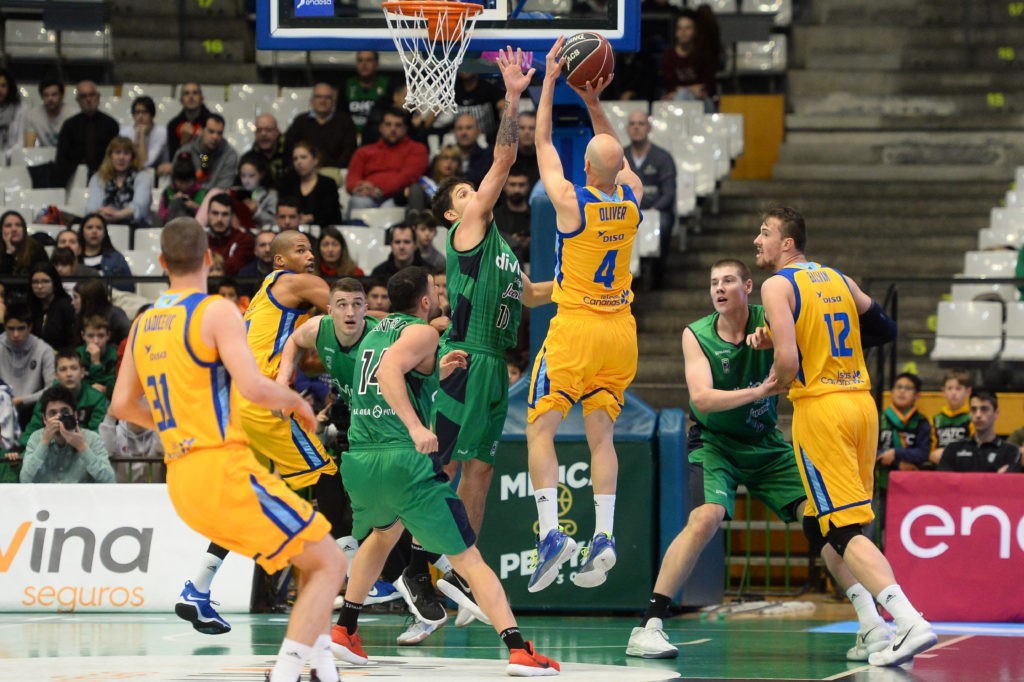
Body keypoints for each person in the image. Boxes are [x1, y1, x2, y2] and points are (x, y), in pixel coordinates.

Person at [109, 217, 344, 682]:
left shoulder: (143, 323)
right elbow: (255, 386)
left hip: (180, 478)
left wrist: (179, 423)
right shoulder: (215, 311)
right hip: (222, 467)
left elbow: (122, 404)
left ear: (160, 263)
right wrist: (296, 400)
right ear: (209, 258)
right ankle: (286, 672)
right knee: (331, 562)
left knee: (306, 558)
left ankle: (323, 666)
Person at [331, 266, 560, 676]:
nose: (440, 297)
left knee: (382, 535)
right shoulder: (423, 333)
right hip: (401, 458)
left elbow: (383, 372)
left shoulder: (373, 334)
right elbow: (388, 374)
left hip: (361, 460)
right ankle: (519, 650)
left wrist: (437, 370)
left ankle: (345, 629)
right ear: (425, 301)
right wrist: (417, 427)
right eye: (434, 292)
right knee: (469, 558)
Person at [755, 204, 936, 666]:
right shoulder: (837, 278)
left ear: (787, 243)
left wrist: (770, 383)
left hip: (821, 411)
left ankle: (908, 620)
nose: (758, 241)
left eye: (765, 233)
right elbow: (885, 328)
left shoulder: (777, 285)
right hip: (861, 405)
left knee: (844, 525)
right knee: (825, 522)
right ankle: (872, 626)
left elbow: (791, 364)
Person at [427, 46, 555, 625]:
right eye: (462, 194)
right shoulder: (468, 233)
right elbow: (502, 161)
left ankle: (456, 571)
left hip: (497, 364)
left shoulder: (499, 248)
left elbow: (530, 295)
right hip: (467, 360)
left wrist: (591, 289)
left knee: (480, 469)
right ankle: (412, 570)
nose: (472, 195)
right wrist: (511, 97)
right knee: (444, 469)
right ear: (454, 216)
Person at [625, 259, 806, 659]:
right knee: (706, 517)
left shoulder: (772, 321)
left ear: (748, 286)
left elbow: (803, 358)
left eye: (727, 281)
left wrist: (779, 346)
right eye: (713, 283)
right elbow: (702, 398)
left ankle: (872, 620)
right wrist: (759, 392)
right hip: (715, 442)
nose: (719, 288)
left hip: (766, 444)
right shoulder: (697, 333)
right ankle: (648, 625)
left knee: (820, 518)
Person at [174, 230, 345, 636]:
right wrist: (401, 327)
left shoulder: (272, 290)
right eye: (301, 249)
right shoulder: (297, 282)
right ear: (279, 261)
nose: (311, 254)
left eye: (311, 248)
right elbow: (345, 311)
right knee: (328, 479)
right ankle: (352, 573)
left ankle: (197, 586)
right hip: (263, 404)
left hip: (240, 404)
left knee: (247, 501)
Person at [524, 37, 643, 593]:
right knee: (602, 437)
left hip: (573, 329)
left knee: (540, 429)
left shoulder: (573, 204)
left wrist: (550, 80)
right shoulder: (634, 199)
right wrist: (595, 101)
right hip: (620, 332)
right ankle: (604, 536)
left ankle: (551, 535)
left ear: (587, 167)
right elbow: (615, 152)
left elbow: (543, 140)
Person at [20, 384, 114, 483]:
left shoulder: (92, 438)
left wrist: (82, 447)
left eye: (65, 412)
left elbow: (109, 480)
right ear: (44, 419)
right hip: (46, 497)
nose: (59, 418)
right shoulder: (36, 438)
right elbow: (24, 479)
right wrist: (44, 442)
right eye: (52, 413)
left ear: (75, 415)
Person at [623, 111, 676, 285]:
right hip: (625, 211)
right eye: (632, 124)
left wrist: (653, 211)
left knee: (665, 222)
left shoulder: (663, 157)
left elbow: (669, 193)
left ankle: (658, 273)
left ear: (649, 128)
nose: (636, 127)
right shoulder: (619, 157)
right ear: (627, 129)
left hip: (656, 209)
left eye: (641, 123)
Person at [20, 347, 108, 449]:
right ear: (56, 375)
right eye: (63, 369)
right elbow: (28, 436)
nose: (69, 374)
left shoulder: (96, 398)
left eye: (74, 368)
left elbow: (98, 434)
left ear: (82, 372)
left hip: (82, 449)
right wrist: (53, 439)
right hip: (52, 451)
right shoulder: (47, 397)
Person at [345, 109, 429, 216]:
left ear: (405, 128)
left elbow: (406, 178)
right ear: (381, 127)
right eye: (388, 124)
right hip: (367, 197)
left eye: (398, 125)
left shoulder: (417, 149)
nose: (393, 129)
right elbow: (352, 179)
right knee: (358, 201)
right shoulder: (363, 152)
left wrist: (377, 190)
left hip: (399, 198)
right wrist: (361, 188)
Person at [54, 81, 120, 187]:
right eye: (84, 96)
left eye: (91, 95)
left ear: (98, 97)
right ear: (78, 101)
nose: (88, 99)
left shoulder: (111, 124)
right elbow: (61, 158)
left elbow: (116, 155)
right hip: (74, 177)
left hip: (105, 175)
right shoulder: (69, 125)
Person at [937, 390, 1022, 473]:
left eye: (984, 409)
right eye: (974, 409)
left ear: (996, 413)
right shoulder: (953, 449)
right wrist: (996, 478)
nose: (978, 415)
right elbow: (944, 484)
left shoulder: (1011, 452)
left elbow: (1010, 486)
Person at [0, 302, 56, 428]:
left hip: (34, 410)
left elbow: (52, 388)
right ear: (4, 327)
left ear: (30, 327)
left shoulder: (44, 350)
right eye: (11, 328)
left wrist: (24, 400)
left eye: (21, 328)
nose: (15, 334)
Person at [283, 83, 358, 169]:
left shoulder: (345, 121)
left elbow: (350, 150)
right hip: (303, 171)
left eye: (327, 97)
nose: (323, 101)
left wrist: (336, 169)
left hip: (335, 172)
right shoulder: (300, 121)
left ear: (334, 102)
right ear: (312, 101)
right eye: (319, 97)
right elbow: (289, 148)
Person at [86, 136, 153, 227]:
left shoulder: (143, 176)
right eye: (117, 153)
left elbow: (140, 207)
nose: (121, 157)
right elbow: (93, 207)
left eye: (126, 153)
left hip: (134, 224)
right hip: (103, 222)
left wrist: (118, 215)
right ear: (110, 156)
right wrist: (103, 213)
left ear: (132, 157)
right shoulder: (98, 177)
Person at [661, 9, 719, 112]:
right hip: (676, 99)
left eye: (687, 28)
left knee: (683, 95)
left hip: (702, 101)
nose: (683, 32)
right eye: (679, 28)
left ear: (695, 31)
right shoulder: (668, 56)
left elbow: (707, 87)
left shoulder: (703, 54)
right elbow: (670, 87)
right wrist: (690, 89)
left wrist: (683, 90)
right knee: (681, 96)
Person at [277, 142, 343, 227]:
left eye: (303, 157)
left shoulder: (328, 184)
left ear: (315, 160)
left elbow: (331, 213)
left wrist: (311, 218)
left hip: (325, 231)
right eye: (295, 159)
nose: (299, 162)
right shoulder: (288, 184)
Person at [75, 213, 133, 292]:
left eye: (99, 228)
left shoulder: (116, 258)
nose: (94, 231)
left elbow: (128, 287)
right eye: (89, 227)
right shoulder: (74, 258)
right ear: (82, 231)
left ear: (104, 233)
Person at [181, 114, 238, 192]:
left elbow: (222, 188)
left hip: (215, 201)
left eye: (219, 133)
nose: (215, 137)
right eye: (211, 132)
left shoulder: (229, 156)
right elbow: (176, 185)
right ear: (201, 130)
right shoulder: (185, 152)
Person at [27, 262, 77, 351]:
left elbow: (72, 340)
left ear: (54, 283)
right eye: (35, 282)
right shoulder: (29, 306)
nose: (39, 286)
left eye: (45, 281)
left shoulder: (66, 306)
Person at [928, 368, 973, 465]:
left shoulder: (972, 418)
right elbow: (930, 449)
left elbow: (976, 449)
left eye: (958, 388)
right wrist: (932, 455)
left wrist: (950, 454)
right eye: (949, 388)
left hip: (964, 468)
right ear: (943, 391)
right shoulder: (936, 419)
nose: (953, 393)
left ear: (968, 391)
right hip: (941, 469)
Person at [205, 194, 255, 276]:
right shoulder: (199, 241)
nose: (219, 219)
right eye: (215, 213)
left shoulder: (245, 240)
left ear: (232, 216)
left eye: (225, 214)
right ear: (208, 214)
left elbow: (235, 267)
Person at [72, 277, 131, 345]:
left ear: (88, 300)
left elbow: (131, 338)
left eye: (75, 297)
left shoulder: (115, 315)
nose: (72, 302)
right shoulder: (78, 316)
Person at [344, 51, 391, 136]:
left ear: (376, 64)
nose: (364, 64)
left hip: (378, 136)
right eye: (360, 60)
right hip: (350, 135)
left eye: (369, 60)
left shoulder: (387, 84)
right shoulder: (347, 84)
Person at [1, 211, 49, 293]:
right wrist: (9, 252)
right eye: (8, 226)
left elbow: (46, 275)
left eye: (18, 225)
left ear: (24, 228)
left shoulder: (36, 248)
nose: (14, 229)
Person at [492, 171, 532, 264]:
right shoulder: (494, 216)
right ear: (504, 186)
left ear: (528, 186)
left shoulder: (537, 215)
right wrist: (511, 241)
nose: (517, 190)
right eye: (512, 185)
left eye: (521, 185)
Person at [164, 82, 211, 160]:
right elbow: (173, 160)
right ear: (181, 100)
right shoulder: (173, 125)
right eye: (186, 93)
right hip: (183, 167)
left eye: (195, 93)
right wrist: (184, 143)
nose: (191, 96)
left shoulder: (211, 122)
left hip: (206, 166)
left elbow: (214, 159)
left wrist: (203, 145)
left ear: (202, 99)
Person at [407, 145, 462, 211]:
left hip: (450, 219)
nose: (449, 162)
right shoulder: (425, 182)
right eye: (445, 158)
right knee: (415, 189)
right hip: (424, 218)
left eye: (454, 159)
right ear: (438, 161)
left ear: (458, 165)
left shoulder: (463, 186)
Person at [120, 96, 168, 171]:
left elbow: (145, 163)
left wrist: (141, 135)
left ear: (152, 115)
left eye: (145, 112)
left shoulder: (161, 132)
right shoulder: (125, 132)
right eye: (137, 112)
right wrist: (137, 136)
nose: (140, 116)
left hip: (156, 172)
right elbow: (125, 160)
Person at [76, 314, 118, 395]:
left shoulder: (115, 355)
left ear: (108, 336)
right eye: (90, 336)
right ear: (83, 336)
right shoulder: (77, 355)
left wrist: (96, 363)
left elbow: (115, 383)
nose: (95, 341)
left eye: (101, 336)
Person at [24, 77, 72, 148]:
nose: (50, 99)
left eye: (54, 95)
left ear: (61, 96)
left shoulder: (73, 114)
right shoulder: (32, 116)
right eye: (46, 95)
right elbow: (29, 148)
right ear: (41, 97)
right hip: (45, 156)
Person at [237, 151, 279, 228]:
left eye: (251, 176)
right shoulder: (236, 192)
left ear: (262, 174)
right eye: (243, 175)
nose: (246, 180)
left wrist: (257, 211)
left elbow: (275, 221)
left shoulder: (271, 194)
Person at [452, 113, 493, 187]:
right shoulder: (446, 157)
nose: (463, 132)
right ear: (454, 133)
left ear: (478, 131)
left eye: (468, 128)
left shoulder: (488, 157)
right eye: (459, 128)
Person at [159, 154, 202, 222]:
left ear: (194, 180)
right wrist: (172, 205)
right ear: (174, 179)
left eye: (187, 182)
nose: (184, 186)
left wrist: (196, 208)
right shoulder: (167, 192)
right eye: (180, 182)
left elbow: (209, 218)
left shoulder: (202, 193)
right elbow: (162, 216)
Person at [238, 229, 276, 297]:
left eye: (271, 245)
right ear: (255, 251)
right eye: (262, 245)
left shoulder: (286, 272)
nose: (267, 249)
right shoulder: (245, 274)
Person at [251, 113, 287, 184]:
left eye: (268, 130)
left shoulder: (291, 155)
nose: (263, 134)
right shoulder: (249, 159)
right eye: (259, 130)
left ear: (277, 132)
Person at [0, 68, 26, 162]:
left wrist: (6, 155)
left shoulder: (21, 108)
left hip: (14, 159)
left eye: (3, 86)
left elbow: (21, 141)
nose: (0, 90)